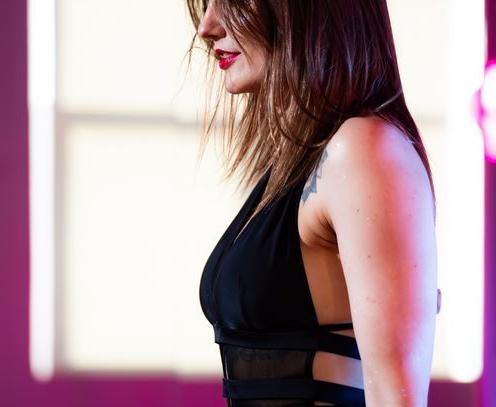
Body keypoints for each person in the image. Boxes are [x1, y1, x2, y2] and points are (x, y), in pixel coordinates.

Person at [187, 0, 439, 406]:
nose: (207, 27)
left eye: (232, 2)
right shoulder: (300, 161)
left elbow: (396, 397)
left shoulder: (361, 149)